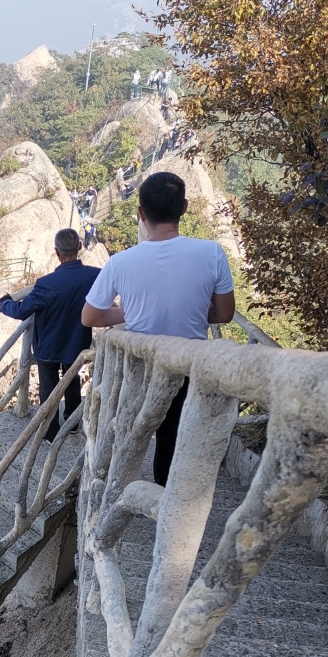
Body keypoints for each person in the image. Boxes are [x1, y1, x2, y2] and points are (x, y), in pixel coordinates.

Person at [81, 171, 235, 485]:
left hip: (139, 365)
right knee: (171, 439)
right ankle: (165, 501)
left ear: (141, 214)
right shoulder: (212, 253)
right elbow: (224, 314)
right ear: (184, 208)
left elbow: (90, 317)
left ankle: (115, 492)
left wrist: (130, 311)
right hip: (187, 365)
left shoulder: (120, 262)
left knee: (129, 432)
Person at [0, 227, 100, 440]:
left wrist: (5, 302)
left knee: (49, 390)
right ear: (80, 247)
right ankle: (72, 424)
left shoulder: (46, 284)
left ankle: (51, 432)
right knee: (72, 382)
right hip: (77, 342)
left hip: (49, 345)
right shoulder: (94, 275)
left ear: (57, 252)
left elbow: (21, 311)